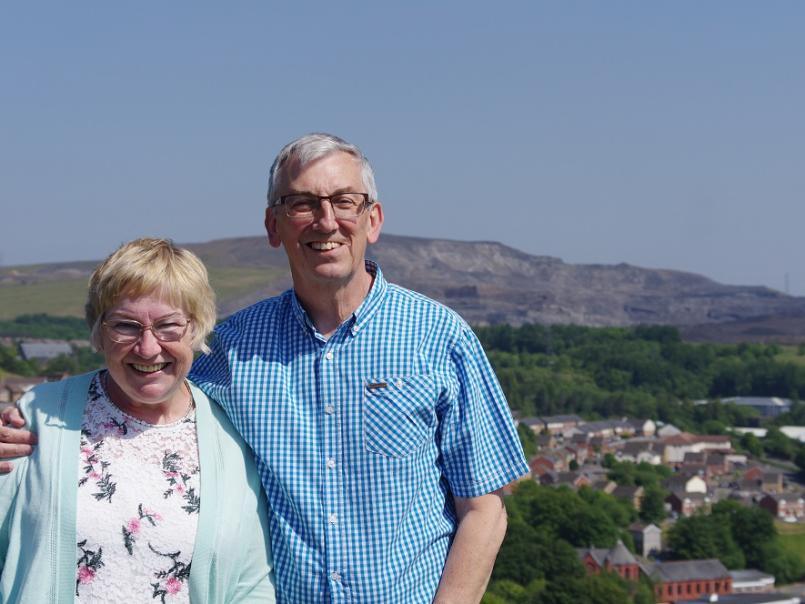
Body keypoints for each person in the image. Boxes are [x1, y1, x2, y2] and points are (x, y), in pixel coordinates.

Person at [1, 134, 527, 603]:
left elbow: (484, 509)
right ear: (273, 226)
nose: (326, 221)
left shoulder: (441, 337)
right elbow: (138, 390)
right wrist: (22, 420)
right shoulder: (231, 348)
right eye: (301, 203)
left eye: (344, 201)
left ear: (374, 219)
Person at [0, 238, 274, 603]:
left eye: (168, 326)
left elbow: (252, 585)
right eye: (126, 326)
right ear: (98, 330)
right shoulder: (39, 415)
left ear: (197, 328)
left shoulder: (232, 435)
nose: (148, 348)